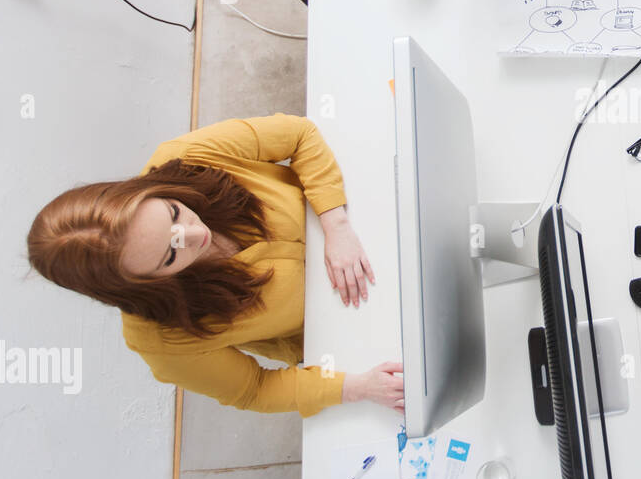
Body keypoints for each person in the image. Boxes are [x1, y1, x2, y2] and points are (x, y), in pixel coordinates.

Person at [27, 115, 401, 417]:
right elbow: (256, 389)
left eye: (174, 212)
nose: (195, 235)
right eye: (171, 256)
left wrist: (335, 224)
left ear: (148, 191)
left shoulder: (184, 156)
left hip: (357, 212)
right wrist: (358, 387)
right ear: (145, 285)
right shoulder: (162, 344)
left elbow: (298, 135)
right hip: (352, 318)